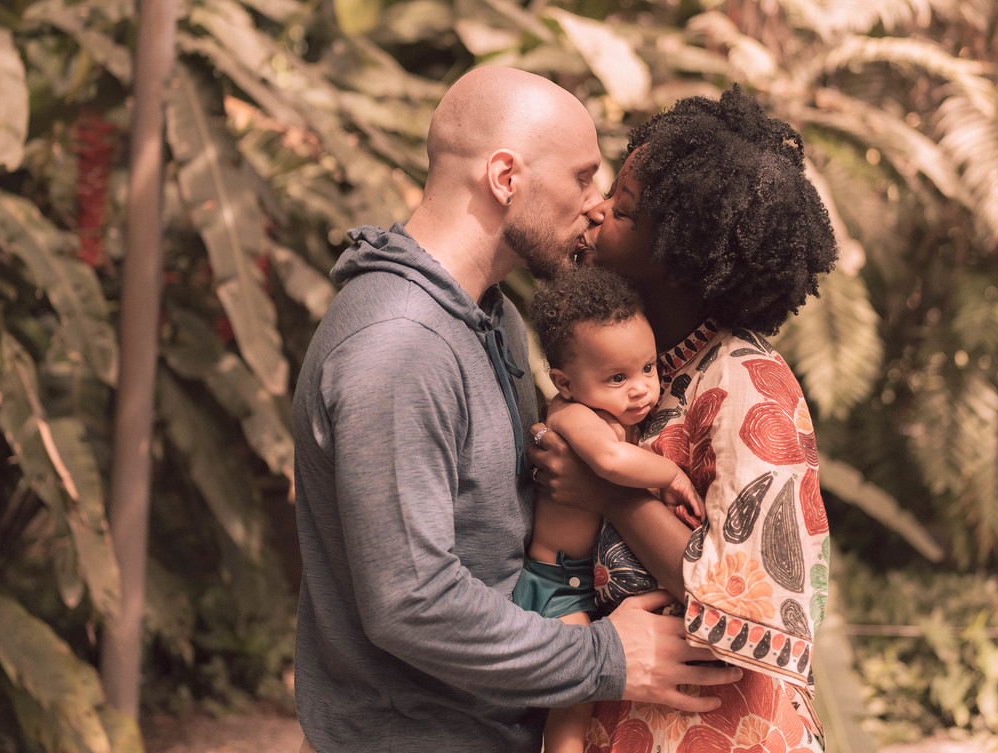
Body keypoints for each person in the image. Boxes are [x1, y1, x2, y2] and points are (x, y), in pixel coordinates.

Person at [291, 66, 740, 753]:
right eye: (583, 177)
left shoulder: (492, 315)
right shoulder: (397, 346)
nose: (597, 205)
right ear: (505, 177)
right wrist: (605, 656)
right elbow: (411, 601)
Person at [528, 84, 839, 752]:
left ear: (676, 255)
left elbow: (754, 611)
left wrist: (608, 491)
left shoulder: (752, 384)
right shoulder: (637, 372)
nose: (597, 212)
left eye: (624, 209)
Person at [517, 266, 705, 753]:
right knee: (575, 702)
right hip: (556, 583)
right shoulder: (572, 414)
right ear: (565, 382)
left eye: (648, 368)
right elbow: (610, 460)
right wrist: (670, 475)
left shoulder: (607, 410)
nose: (642, 388)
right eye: (617, 377)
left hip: (576, 578)